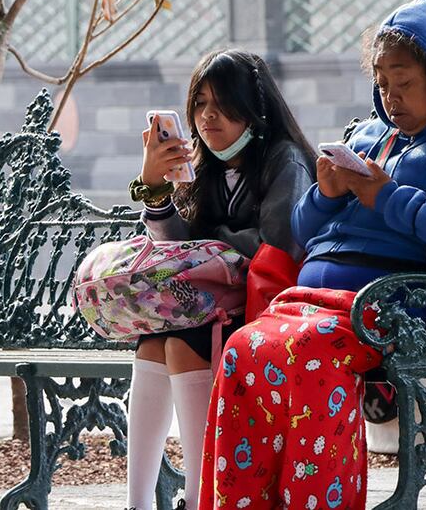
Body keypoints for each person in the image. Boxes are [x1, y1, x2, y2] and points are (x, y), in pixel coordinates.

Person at [199, 0, 426, 510]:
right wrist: (325, 194)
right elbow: (300, 232)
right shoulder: (369, 136)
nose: (391, 97)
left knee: (309, 353)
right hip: (317, 302)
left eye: (404, 81)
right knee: (242, 349)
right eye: (383, 82)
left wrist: (385, 196)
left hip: (404, 306)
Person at [126, 49, 317, 510]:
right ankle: (137, 502)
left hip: (268, 310)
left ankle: (201, 499)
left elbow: (277, 244)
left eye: (222, 103)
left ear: (254, 109)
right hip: (211, 304)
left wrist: (206, 245)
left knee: (180, 342)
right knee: (152, 342)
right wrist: (155, 189)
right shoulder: (205, 167)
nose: (207, 116)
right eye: (199, 103)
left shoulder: (284, 160)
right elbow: (176, 248)